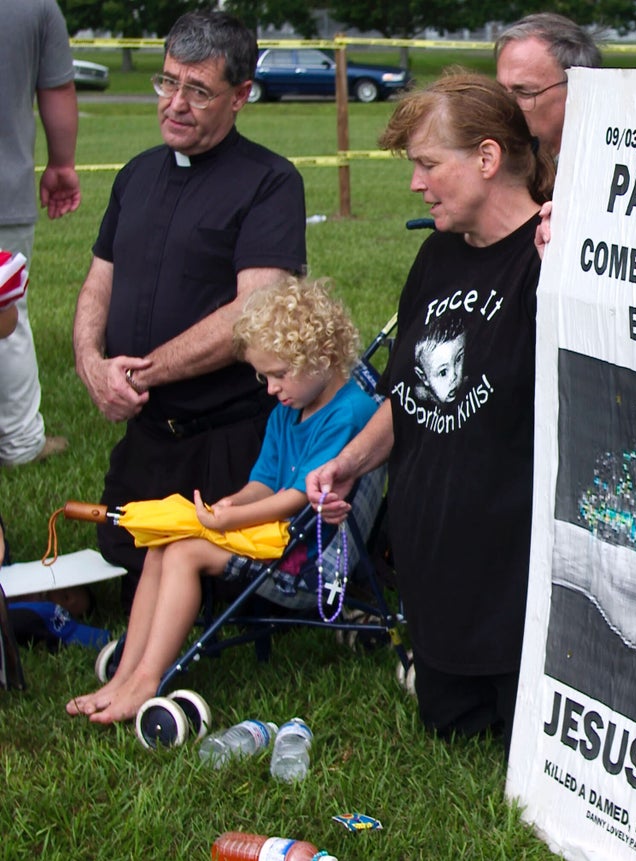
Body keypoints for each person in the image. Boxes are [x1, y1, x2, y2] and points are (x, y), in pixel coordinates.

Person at [306, 72, 554, 745]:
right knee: (448, 725)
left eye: (426, 164)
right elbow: (407, 394)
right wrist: (349, 463)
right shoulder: (436, 255)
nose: (416, 184)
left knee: (515, 742)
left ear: (486, 158)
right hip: (438, 568)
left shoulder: (551, 258)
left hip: (515, 578)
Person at [72, 10, 306, 608]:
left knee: (219, 601)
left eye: (198, 90)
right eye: (167, 82)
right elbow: (98, 283)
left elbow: (252, 312)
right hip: (146, 437)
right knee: (118, 582)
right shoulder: (135, 175)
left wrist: (139, 374)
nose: (174, 103)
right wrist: (92, 365)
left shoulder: (271, 182)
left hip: (223, 444)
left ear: (241, 96)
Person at [67, 276, 376, 724]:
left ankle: (147, 680)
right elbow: (264, 484)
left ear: (323, 358)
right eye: (264, 376)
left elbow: (293, 500)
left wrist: (228, 522)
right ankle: (126, 675)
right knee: (163, 541)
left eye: (280, 374)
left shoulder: (350, 414)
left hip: (307, 557)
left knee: (185, 553)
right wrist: (229, 505)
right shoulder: (286, 411)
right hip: (275, 536)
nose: (271, 388)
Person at [0, 0, 80, 466]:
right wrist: (63, 164)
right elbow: (57, 88)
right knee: (6, 313)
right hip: (5, 186)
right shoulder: (35, 5)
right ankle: (20, 442)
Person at [495, 13, 602, 159]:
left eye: (525, 93)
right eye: (500, 91)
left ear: (576, 92)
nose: (505, 109)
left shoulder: (604, 167)